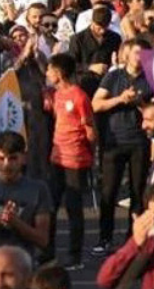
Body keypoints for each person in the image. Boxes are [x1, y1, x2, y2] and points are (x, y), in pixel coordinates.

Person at [92, 38, 153, 256]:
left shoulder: (150, 80)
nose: (139, 58)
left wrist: (140, 103)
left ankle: (132, 239)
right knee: (109, 191)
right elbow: (96, 104)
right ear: (126, 54)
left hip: (140, 141)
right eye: (136, 53)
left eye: (143, 54)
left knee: (138, 192)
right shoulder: (114, 76)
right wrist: (120, 99)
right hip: (114, 140)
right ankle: (104, 238)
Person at [0, 132, 53, 258]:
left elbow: (42, 239)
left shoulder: (39, 189)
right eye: (1, 158)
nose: (7, 165)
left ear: (24, 158)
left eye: (13, 158)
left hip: (23, 264)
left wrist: (16, 222)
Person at [46, 53, 95, 270]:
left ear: (57, 73)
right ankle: (47, 252)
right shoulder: (56, 95)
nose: (47, 73)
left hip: (76, 160)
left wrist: (92, 153)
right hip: (57, 158)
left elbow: (90, 130)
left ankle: (74, 256)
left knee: (74, 209)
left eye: (49, 70)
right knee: (51, 206)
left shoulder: (79, 96)